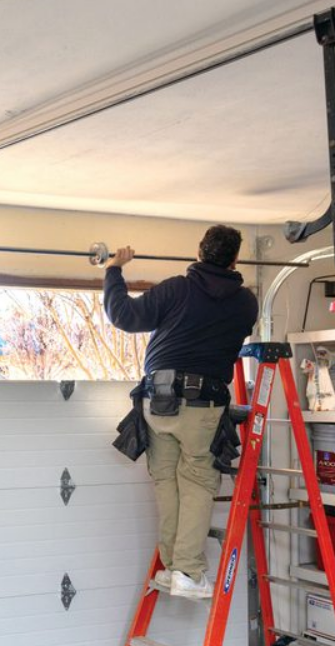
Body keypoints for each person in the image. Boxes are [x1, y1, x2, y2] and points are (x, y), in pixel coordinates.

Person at [103, 225, 258, 599]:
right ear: (235, 258)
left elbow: (125, 317)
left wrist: (114, 270)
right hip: (202, 404)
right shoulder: (246, 303)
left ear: (200, 252)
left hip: (157, 401)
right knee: (197, 482)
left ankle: (174, 567)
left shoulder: (176, 288)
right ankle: (187, 570)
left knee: (167, 481)